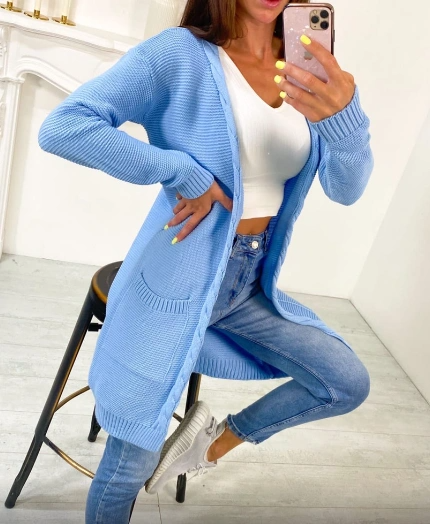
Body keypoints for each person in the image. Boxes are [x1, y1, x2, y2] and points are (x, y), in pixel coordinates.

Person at [38, 0, 374, 522]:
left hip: (245, 284)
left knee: (345, 381)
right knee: (128, 465)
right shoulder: (180, 54)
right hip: (174, 279)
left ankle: (208, 446)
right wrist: (182, 171)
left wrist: (344, 119)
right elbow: (64, 127)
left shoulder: (309, 72)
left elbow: (346, 191)